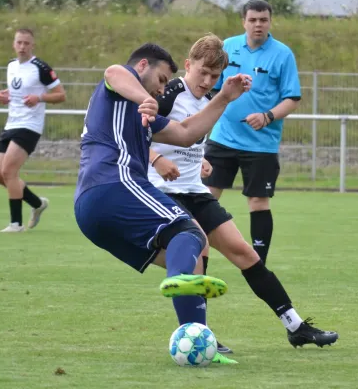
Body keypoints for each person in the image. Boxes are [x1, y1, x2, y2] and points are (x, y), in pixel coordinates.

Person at [149, 34, 338, 357]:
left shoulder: (209, 98)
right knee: (198, 250)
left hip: (195, 189)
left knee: (245, 254)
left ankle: (295, 326)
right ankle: (200, 332)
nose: (207, 81)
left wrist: (199, 159)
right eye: (202, 73)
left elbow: (188, 137)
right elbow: (134, 132)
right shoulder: (170, 92)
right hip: (165, 192)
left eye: (214, 77)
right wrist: (156, 158)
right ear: (188, 65)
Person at [73, 42, 252, 362]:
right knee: (192, 232)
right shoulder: (122, 84)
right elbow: (113, 72)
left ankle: (197, 339)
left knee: (191, 253)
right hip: (113, 184)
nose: (162, 88)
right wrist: (146, 98)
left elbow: (185, 134)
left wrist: (223, 98)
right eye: (160, 79)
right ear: (143, 66)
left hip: (91, 212)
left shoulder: (145, 110)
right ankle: (183, 281)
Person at [203, 0, 301, 265]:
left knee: (258, 202)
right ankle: (198, 256)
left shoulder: (283, 54)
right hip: (222, 139)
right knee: (203, 198)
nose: (258, 25)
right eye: (253, 20)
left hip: (261, 146)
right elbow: (211, 87)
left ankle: (259, 264)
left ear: (270, 21)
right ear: (243, 21)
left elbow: (292, 98)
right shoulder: (228, 47)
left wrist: (267, 116)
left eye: (263, 20)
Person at [0, 28, 66, 233]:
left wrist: (40, 98)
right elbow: (15, 91)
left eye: (26, 43)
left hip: (29, 126)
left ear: (32, 45)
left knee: (9, 172)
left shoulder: (40, 67)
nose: (22, 47)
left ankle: (16, 224)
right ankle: (37, 203)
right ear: (14, 44)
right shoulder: (11, 66)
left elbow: (61, 95)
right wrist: (2, 94)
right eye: (19, 43)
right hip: (11, 124)